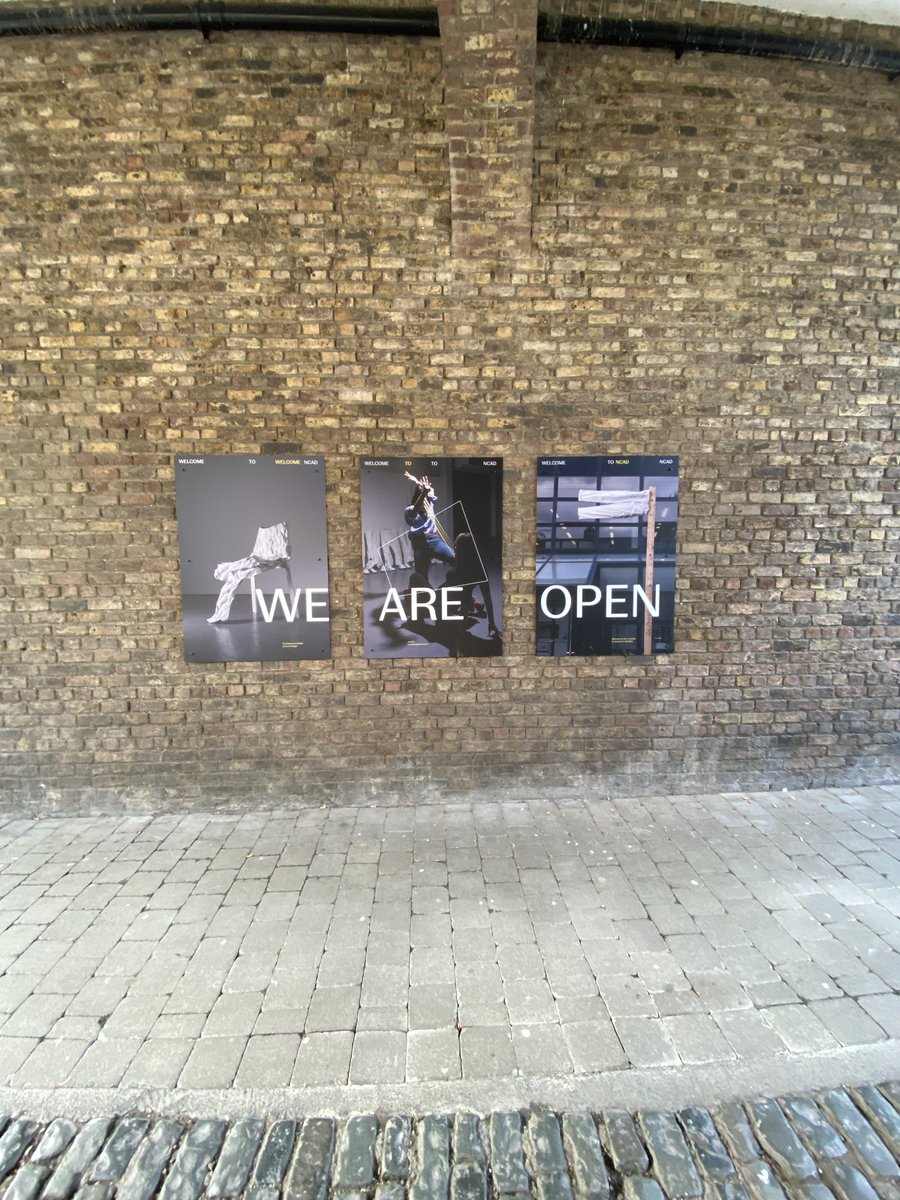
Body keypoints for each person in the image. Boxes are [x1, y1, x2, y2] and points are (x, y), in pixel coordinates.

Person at [403, 472, 455, 588]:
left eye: (424, 499)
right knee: (421, 576)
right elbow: (416, 508)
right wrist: (423, 492)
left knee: (456, 559)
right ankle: (428, 595)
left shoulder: (429, 503)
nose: (423, 503)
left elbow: (429, 490)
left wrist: (417, 481)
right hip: (420, 544)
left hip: (435, 541)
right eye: (421, 499)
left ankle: (445, 588)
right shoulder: (409, 510)